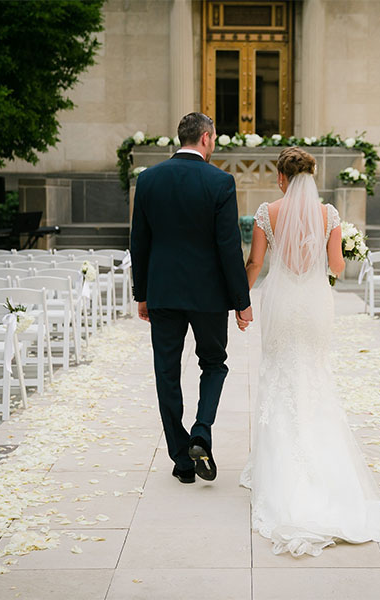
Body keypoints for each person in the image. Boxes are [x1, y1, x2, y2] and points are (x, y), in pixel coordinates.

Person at [239, 147, 380, 557]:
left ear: (281, 178)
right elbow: (336, 268)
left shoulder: (266, 213)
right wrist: (342, 246)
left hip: (281, 301)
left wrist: (239, 296)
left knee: (279, 374)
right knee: (313, 373)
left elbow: (256, 263)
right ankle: (322, 462)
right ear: (313, 176)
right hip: (312, 304)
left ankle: (278, 470)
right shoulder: (329, 215)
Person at [130, 112, 254, 485]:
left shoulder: (149, 180)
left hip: (164, 292)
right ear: (204, 137)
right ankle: (201, 431)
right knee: (214, 363)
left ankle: (182, 459)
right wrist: (241, 301)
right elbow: (229, 247)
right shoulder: (220, 182)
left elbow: (139, 242)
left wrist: (143, 294)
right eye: (213, 138)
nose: (214, 143)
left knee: (166, 373)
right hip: (208, 295)